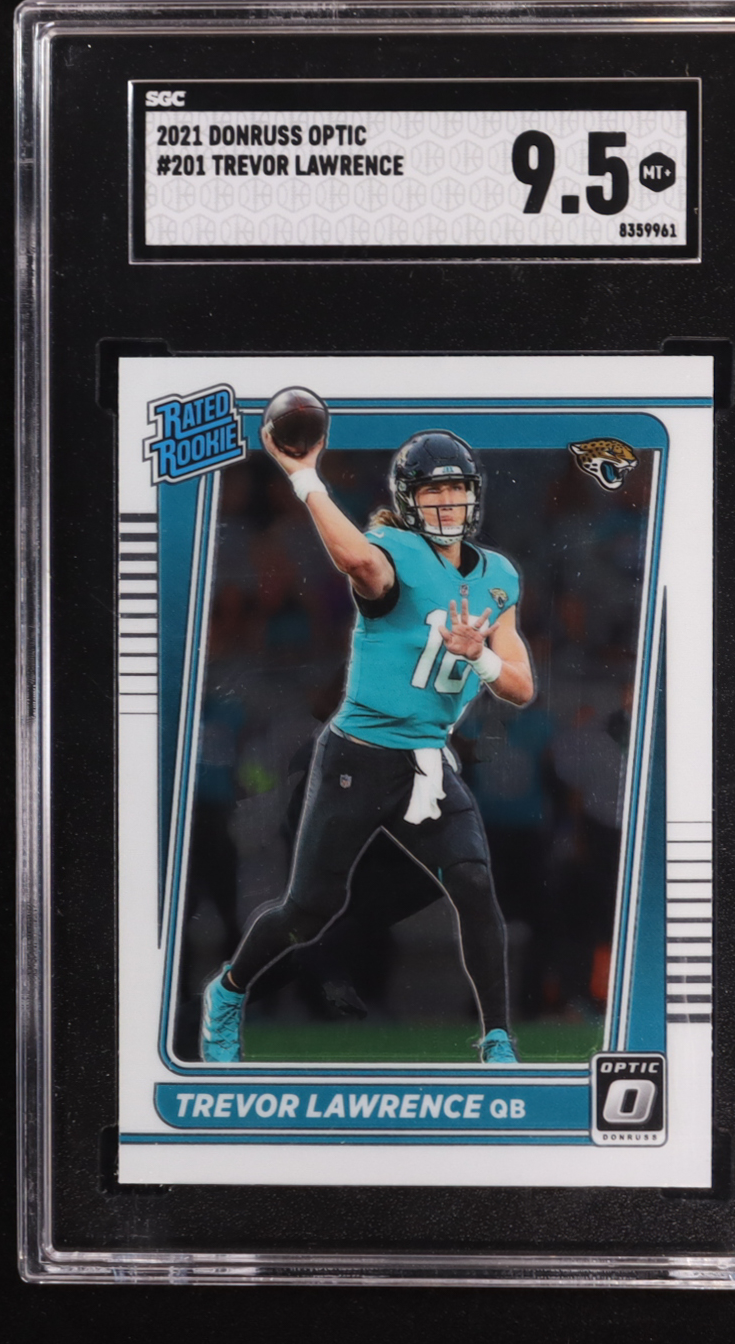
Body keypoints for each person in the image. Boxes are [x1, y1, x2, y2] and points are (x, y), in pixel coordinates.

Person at [200, 418, 535, 1064]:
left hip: (426, 761)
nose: (447, 503)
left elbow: (519, 686)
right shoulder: (392, 548)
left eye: (456, 489)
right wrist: (305, 476)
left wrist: (482, 657)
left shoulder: (498, 575)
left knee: (472, 881)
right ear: (409, 500)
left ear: (474, 494)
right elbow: (358, 562)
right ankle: (230, 989)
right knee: (309, 908)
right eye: (433, 492)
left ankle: (497, 1041)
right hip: (357, 756)